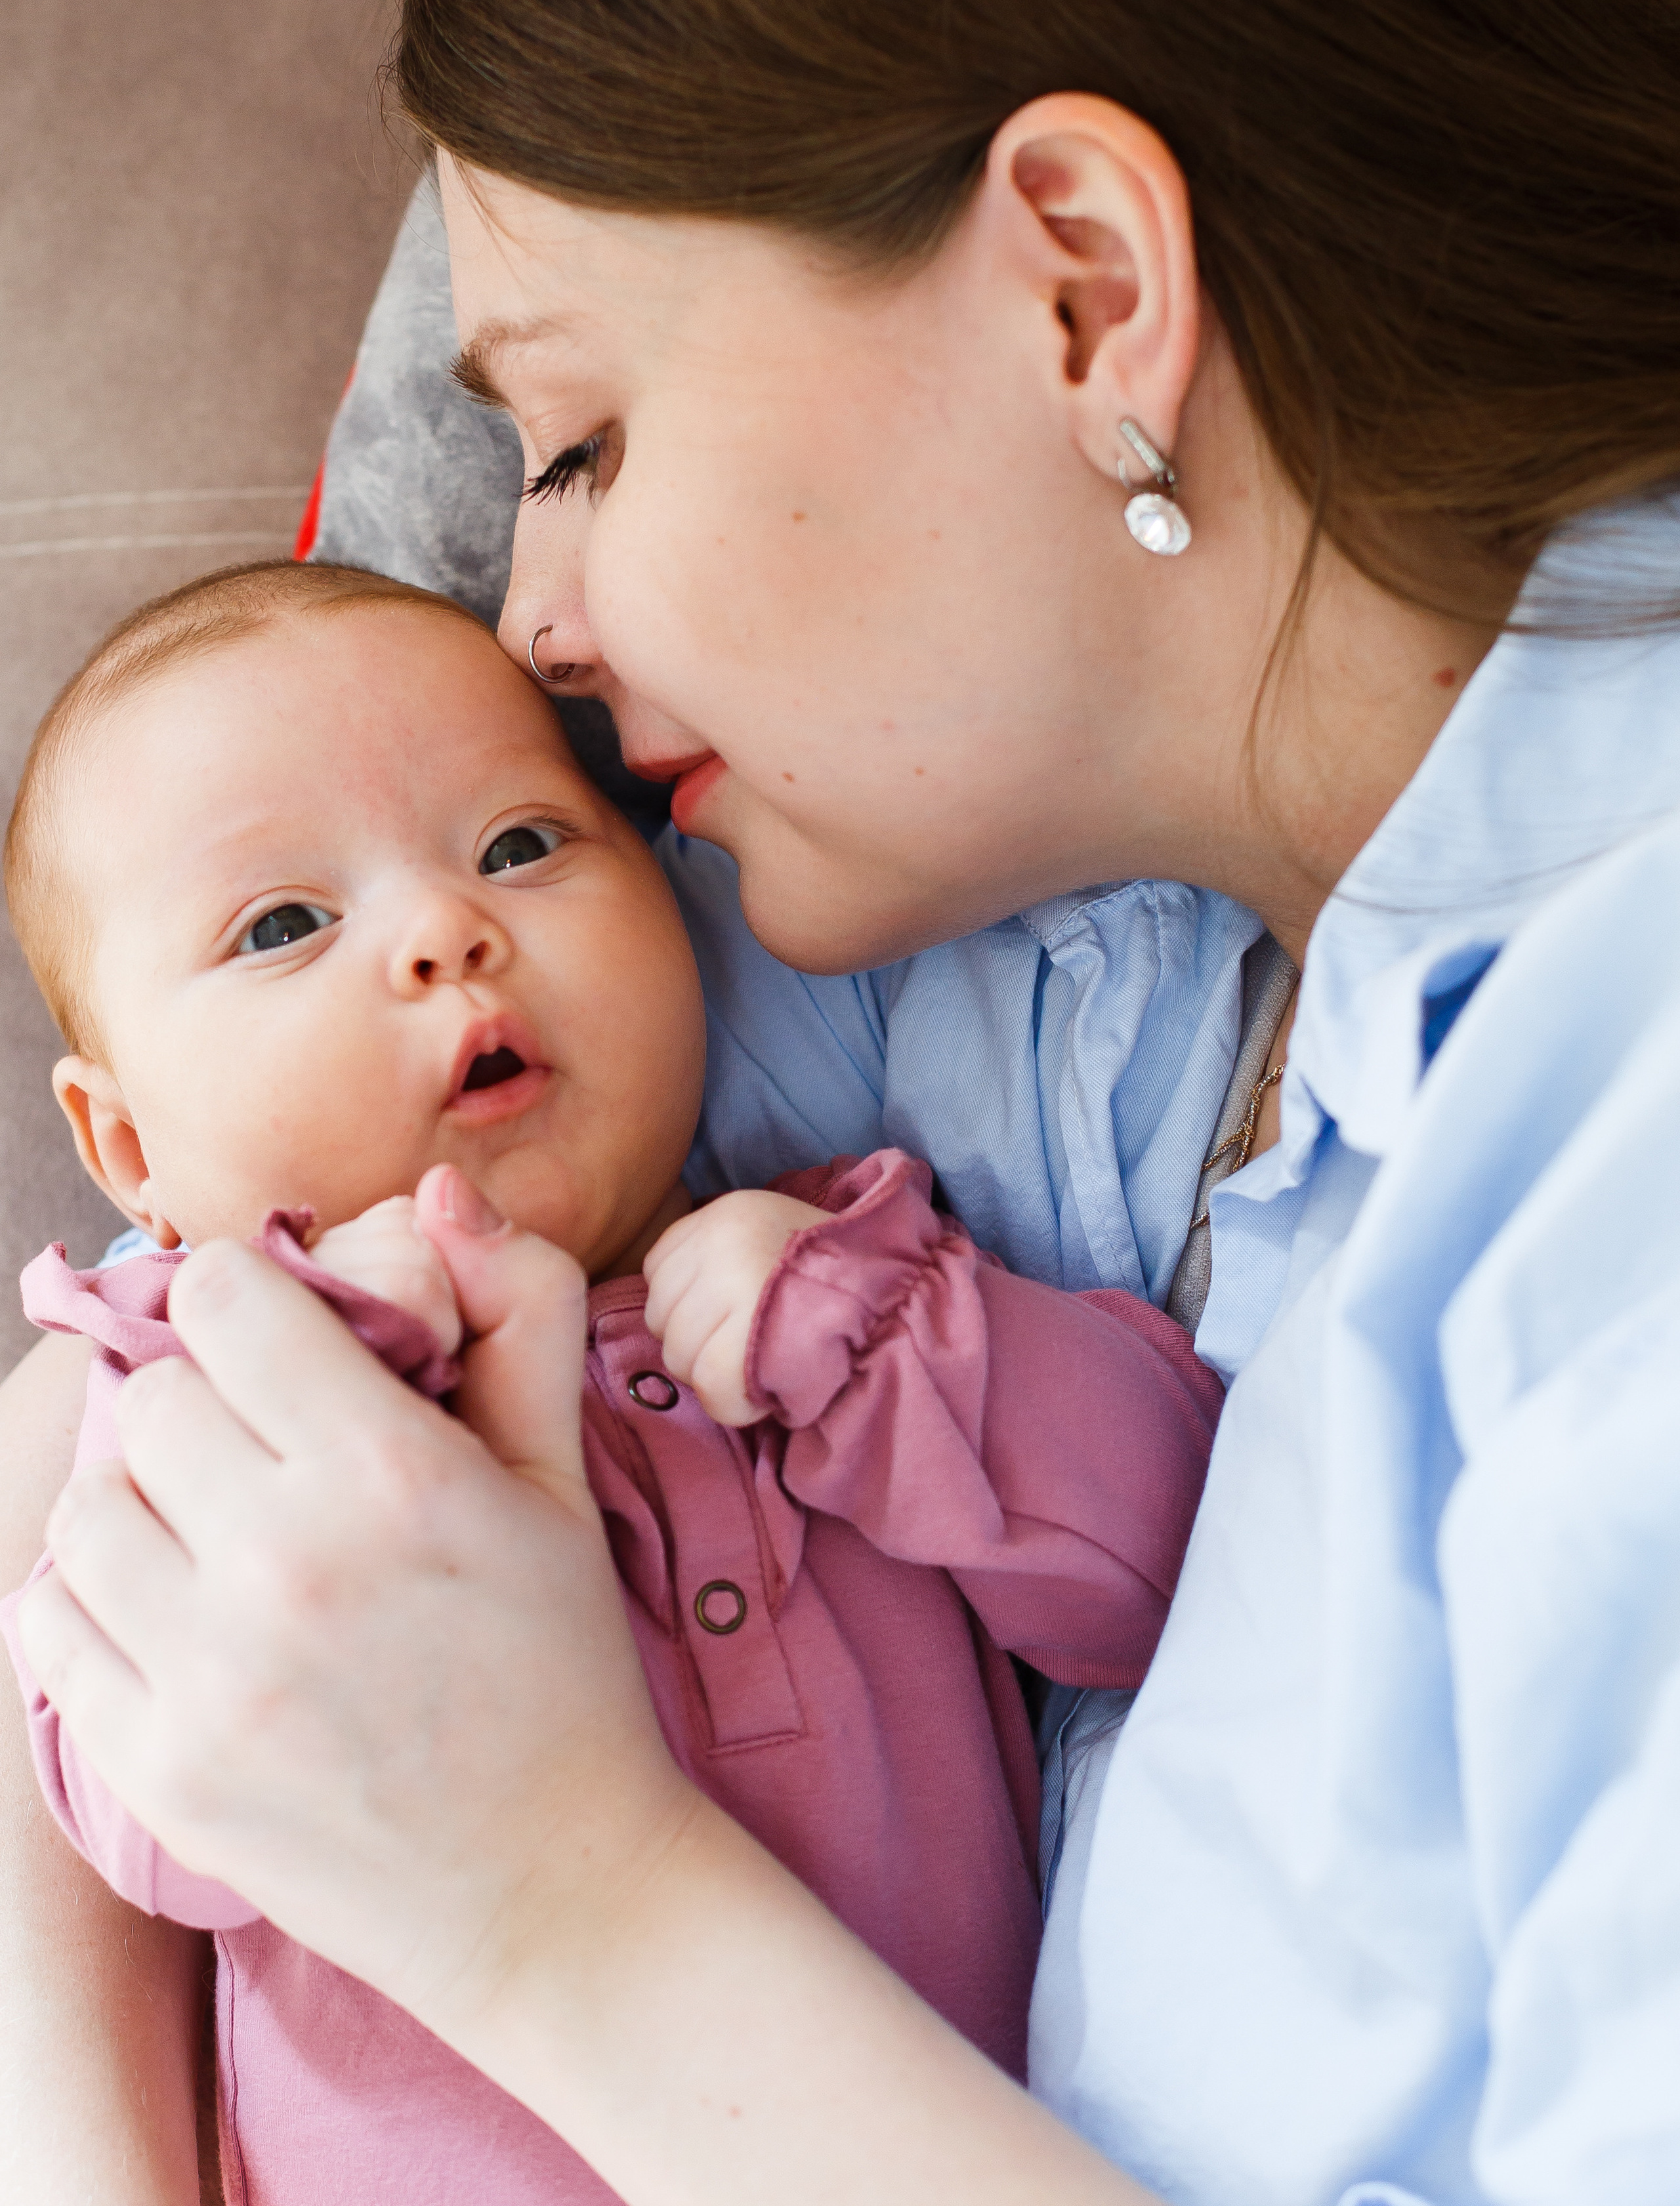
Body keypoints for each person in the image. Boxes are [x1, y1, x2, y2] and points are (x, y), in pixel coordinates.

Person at [5, 0, 1680, 2201]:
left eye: (577, 441)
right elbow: (123, 1334)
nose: (530, 616)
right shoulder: (1016, 958)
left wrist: (561, 1907)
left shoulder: (1602, 1120)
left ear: (1088, 288)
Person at [1, 558, 1218, 2203]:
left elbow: (1172, 1582)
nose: (447, 930)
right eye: (284, 925)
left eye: (519, 843)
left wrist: (886, 1339)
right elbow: (147, 1829)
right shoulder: (192, 1409)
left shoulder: (843, 1273)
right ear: (130, 1147)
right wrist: (346, 1405)